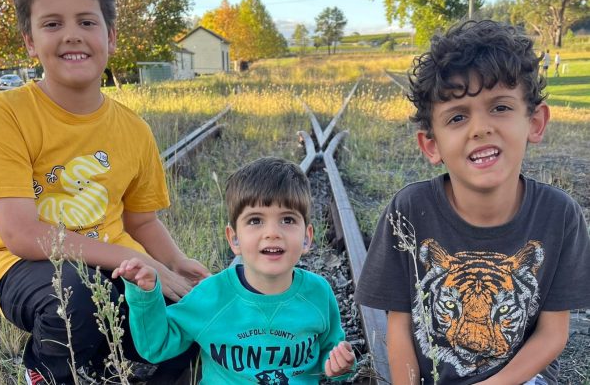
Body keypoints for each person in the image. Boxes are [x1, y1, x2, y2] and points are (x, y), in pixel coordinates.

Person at [0, 0, 210, 384]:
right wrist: (128, 258)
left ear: (111, 36)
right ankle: (47, 374)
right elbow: (21, 234)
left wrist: (174, 261)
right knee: (77, 299)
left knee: (194, 320)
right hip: (27, 266)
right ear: (30, 41)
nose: (71, 35)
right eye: (51, 25)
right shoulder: (6, 112)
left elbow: (141, 220)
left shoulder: (134, 129)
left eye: (86, 22)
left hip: (118, 263)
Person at [355, 20, 590, 385]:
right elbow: (398, 327)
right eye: (458, 116)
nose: (479, 128)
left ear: (535, 123)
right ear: (431, 145)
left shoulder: (560, 215)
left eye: (499, 107)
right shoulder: (408, 211)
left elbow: (553, 334)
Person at [113, 157, 356, 384]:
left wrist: (339, 366)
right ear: (234, 239)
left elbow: (330, 351)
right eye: (255, 221)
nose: (272, 232)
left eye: (288, 220)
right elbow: (157, 346)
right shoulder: (212, 295)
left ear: (307, 238)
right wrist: (145, 296)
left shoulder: (317, 293)